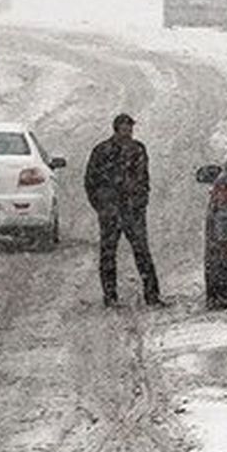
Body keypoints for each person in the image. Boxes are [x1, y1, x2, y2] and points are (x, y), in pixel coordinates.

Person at [84, 113, 165, 308]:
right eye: (125, 128)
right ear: (116, 129)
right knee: (108, 253)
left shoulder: (138, 149)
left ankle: (152, 295)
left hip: (132, 210)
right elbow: (90, 181)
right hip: (111, 210)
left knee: (142, 252)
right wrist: (101, 206)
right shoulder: (102, 151)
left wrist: (140, 201)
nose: (128, 131)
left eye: (130, 128)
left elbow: (144, 179)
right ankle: (110, 296)